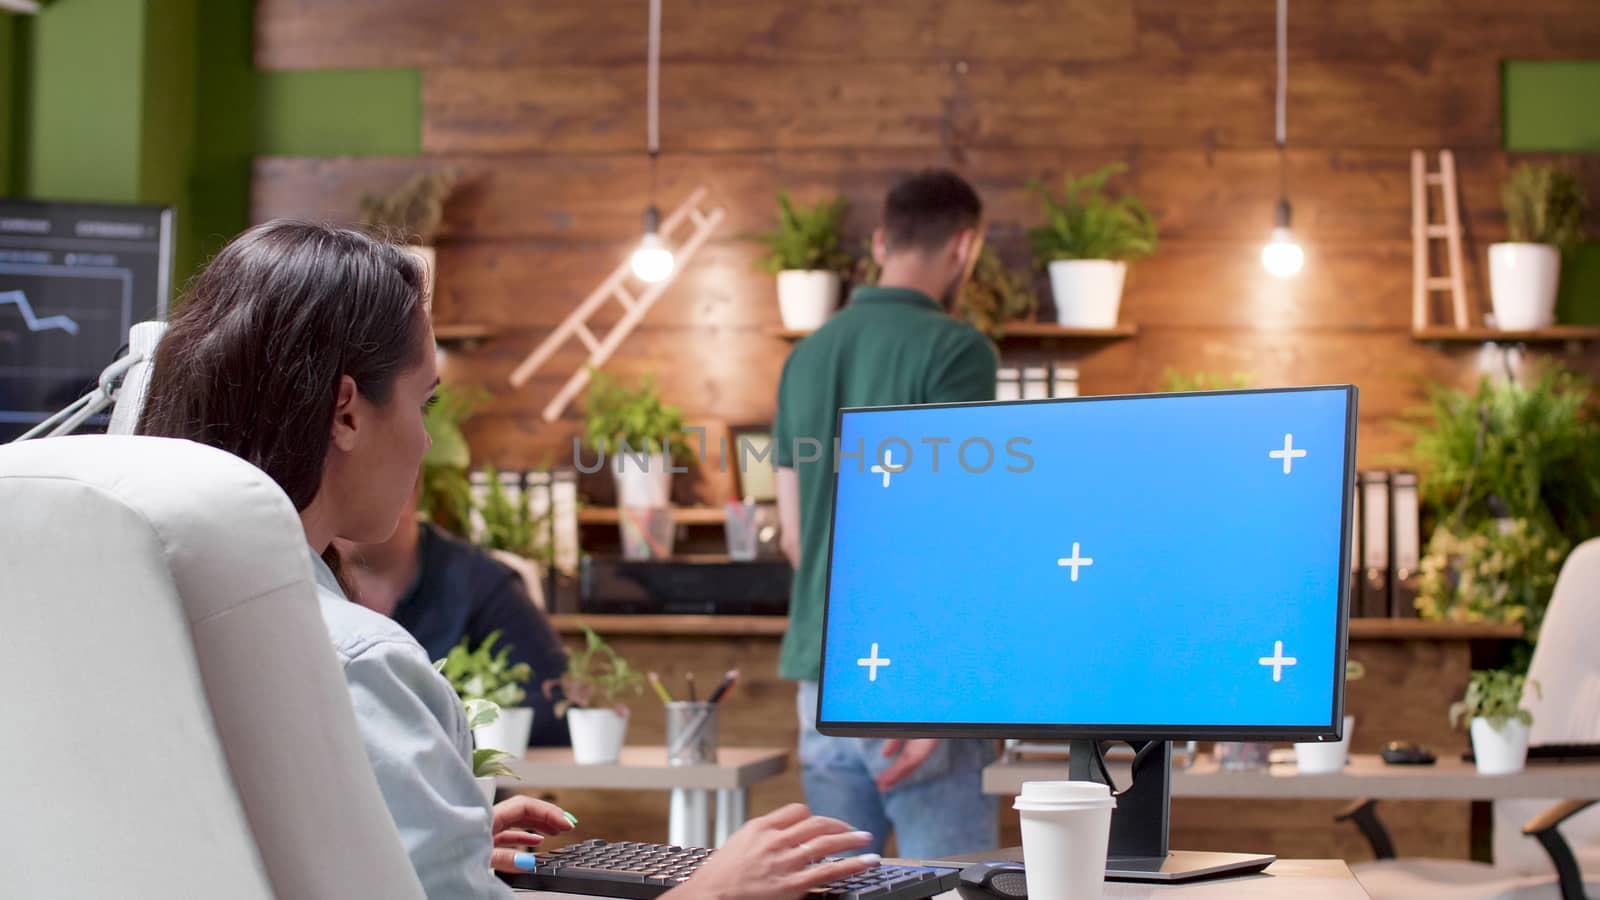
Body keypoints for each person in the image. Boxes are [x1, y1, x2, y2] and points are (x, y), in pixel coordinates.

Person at [137, 220, 880, 898]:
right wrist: (710, 891)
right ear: (347, 411)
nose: (428, 443)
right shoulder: (356, 659)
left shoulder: (147, 630)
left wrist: (435, 844)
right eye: (424, 403)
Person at [774, 171, 1000, 858]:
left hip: (820, 680)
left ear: (879, 241)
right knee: (955, 884)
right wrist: (946, 690)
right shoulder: (957, 351)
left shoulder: (805, 356)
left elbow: (793, 539)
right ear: (964, 246)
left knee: (838, 885)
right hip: (916, 678)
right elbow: (952, 532)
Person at [335, 484, 572, 747]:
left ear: (410, 489)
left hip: (463, 785)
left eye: (341, 488)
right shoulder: (297, 585)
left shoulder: (482, 585)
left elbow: (554, 712)